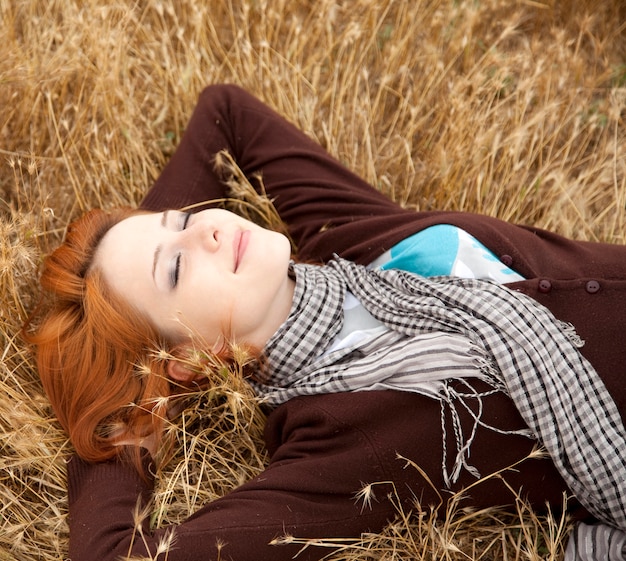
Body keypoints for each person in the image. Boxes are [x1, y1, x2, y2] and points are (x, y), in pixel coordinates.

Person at [26, 84, 626, 561]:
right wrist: (124, 415)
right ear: (185, 360)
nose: (206, 228)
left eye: (180, 217)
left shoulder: (347, 239)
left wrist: (143, 249)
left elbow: (224, 113)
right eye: (176, 268)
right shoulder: (340, 439)